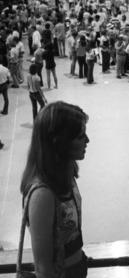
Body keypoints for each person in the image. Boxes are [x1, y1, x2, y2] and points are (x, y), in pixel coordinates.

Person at [20, 101, 90, 278]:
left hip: (77, 269)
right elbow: (43, 269)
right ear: (61, 142)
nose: (87, 140)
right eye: (81, 136)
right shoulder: (42, 194)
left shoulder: (68, 174)